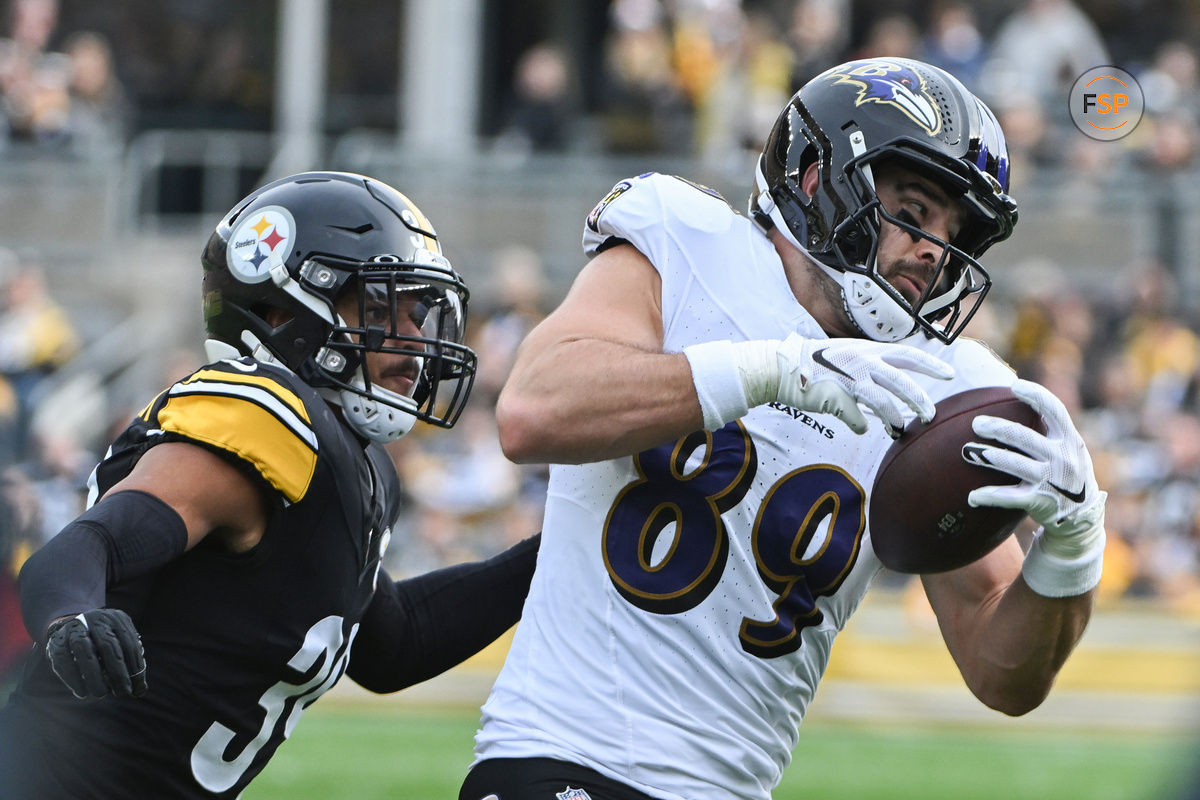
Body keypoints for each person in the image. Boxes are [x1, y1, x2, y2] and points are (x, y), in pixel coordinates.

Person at [459, 57, 1106, 800]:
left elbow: (1002, 673)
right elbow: (533, 409)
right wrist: (776, 371)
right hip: (564, 758)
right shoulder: (692, 245)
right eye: (917, 210)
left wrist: (1074, 547)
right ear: (818, 181)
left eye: (955, 231)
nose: (935, 250)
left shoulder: (939, 386)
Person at [0, 171, 540, 799]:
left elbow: (395, 643)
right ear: (283, 311)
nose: (415, 340)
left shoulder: (360, 471)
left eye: (419, 311)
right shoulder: (265, 414)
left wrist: (568, 546)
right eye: (381, 305)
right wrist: (73, 616)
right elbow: (88, 547)